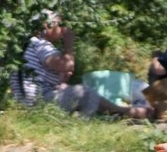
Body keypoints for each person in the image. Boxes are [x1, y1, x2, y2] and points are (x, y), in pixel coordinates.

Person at [12, 11, 150, 119]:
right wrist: (69, 43)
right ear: (46, 26)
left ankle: (126, 112)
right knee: (86, 93)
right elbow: (66, 65)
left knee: (75, 90)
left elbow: (52, 73)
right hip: (38, 103)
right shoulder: (41, 44)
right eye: (59, 24)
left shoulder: (28, 45)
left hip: (28, 101)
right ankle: (84, 123)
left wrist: (62, 79)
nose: (62, 29)